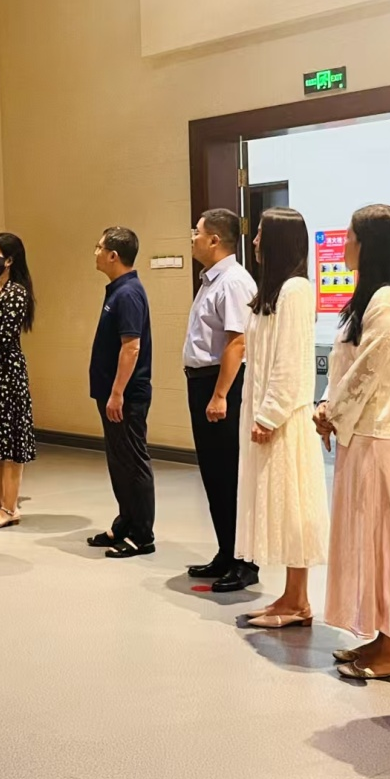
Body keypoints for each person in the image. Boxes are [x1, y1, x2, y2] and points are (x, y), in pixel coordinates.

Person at [314, 206, 390, 679]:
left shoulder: (388, 302)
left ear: (369, 244)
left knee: (382, 542)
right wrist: (326, 406)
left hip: (379, 435)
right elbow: (342, 366)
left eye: (351, 237)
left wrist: (330, 413)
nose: (344, 245)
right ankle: (380, 636)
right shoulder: (368, 297)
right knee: (365, 538)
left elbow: (367, 373)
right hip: (359, 433)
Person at [236, 207, 329, 628]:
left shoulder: (296, 290)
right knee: (282, 507)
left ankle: (298, 602)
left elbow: (291, 363)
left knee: (293, 509)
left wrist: (269, 415)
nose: (255, 241)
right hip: (263, 413)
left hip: (284, 420)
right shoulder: (272, 291)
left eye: (260, 233)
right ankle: (291, 597)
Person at [182, 209, 259, 592]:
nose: (192, 238)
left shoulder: (233, 282)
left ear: (214, 240)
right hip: (204, 382)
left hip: (221, 384)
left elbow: (237, 342)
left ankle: (245, 562)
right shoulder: (211, 280)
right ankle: (226, 552)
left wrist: (220, 394)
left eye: (196, 232)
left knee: (230, 475)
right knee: (214, 474)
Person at [86, 226, 156, 558]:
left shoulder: (128, 294)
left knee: (133, 461)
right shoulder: (117, 290)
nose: (95, 253)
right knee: (119, 462)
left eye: (99, 247)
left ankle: (142, 534)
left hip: (127, 396)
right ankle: (125, 522)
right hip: (113, 393)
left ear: (113, 255)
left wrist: (117, 393)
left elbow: (131, 347)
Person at [0, 233, 38, 529]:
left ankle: (10, 507)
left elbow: (2, 340)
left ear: (10, 259)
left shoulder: (16, 292)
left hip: (7, 372)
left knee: (10, 440)